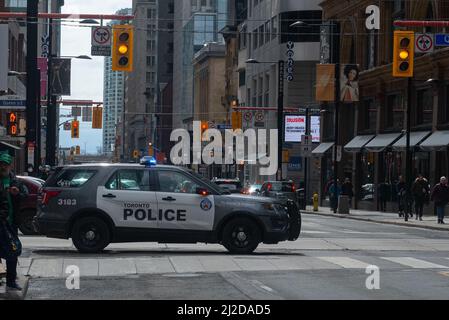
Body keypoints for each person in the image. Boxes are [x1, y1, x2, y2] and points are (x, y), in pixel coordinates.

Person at [0, 152, 27, 291]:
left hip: (11, 223)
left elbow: (25, 194)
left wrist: (18, 193)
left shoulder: (14, 180)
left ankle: (11, 280)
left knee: (13, 251)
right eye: (1, 163)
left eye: (5, 164)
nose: (3, 166)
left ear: (10, 165)